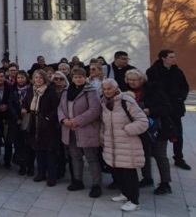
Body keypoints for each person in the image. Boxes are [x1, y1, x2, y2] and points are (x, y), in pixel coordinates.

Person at [101, 78, 148, 212]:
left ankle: (134, 201)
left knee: (129, 173)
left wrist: (127, 130)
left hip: (128, 144)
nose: (107, 91)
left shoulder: (126, 101)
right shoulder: (104, 103)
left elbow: (142, 121)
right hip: (113, 144)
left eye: (109, 88)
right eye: (104, 89)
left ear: (116, 89)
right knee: (118, 171)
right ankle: (125, 194)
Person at [125, 69, 174, 195]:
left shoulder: (154, 90)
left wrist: (150, 110)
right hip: (141, 129)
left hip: (158, 129)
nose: (131, 82)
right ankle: (147, 178)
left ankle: (165, 183)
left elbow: (167, 108)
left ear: (141, 80)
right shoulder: (127, 92)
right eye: (129, 79)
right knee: (144, 154)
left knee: (160, 155)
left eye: (134, 80)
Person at [58, 67, 102, 198]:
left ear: (85, 78)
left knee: (91, 158)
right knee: (75, 156)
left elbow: (94, 110)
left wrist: (77, 120)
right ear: (72, 78)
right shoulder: (67, 91)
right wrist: (64, 120)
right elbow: (60, 107)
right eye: (75, 77)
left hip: (85, 129)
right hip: (69, 129)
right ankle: (77, 181)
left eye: (80, 77)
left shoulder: (90, 91)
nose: (78, 79)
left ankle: (96, 185)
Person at [146, 49, 191, 170]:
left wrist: (181, 97)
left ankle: (179, 158)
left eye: (174, 57)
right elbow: (151, 89)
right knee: (157, 133)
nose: (174, 59)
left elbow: (185, 86)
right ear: (163, 58)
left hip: (176, 108)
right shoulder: (153, 72)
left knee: (178, 134)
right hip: (161, 109)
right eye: (171, 57)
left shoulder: (177, 71)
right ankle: (154, 154)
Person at [24, 69, 61, 186]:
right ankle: (41, 173)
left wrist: (48, 119)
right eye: (36, 77)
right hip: (35, 124)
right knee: (39, 150)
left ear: (45, 79)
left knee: (50, 151)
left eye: (40, 78)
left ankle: (52, 176)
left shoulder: (50, 91)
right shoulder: (31, 90)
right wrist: (24, 108)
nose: (38, 80)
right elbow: (26, 102)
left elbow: (57, 108)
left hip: (48, 126)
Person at [10, 70, 34, 176]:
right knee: (19, 144)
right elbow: (10, 104)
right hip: (17, 119)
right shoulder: (13, 89)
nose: (20, 80)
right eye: (18, 78)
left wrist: (27, 110)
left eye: (22, 77)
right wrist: (17, 117)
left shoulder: (31, 89)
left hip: (29, 118)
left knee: (29, 144)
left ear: (26, 78)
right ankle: (22, 166)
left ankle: (31, 166)